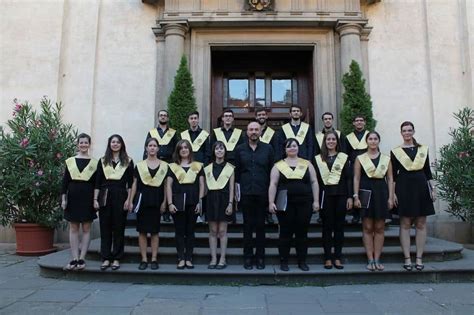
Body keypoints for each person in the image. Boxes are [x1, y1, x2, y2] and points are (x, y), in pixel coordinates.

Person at [268, 138, 320, 271]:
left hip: (304, 202)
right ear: (284, 149)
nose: (292, 148)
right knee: (285, 233)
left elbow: (314, 182)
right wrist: (271, 202)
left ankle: (302, 261)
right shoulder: (278, 165)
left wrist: (316, 201)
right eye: (289, 146)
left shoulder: (307, 164)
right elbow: (273, 184)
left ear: (298, 148)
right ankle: (283, 261)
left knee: (302, 233)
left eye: (294, 146)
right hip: (284, 203)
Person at [391, 121, 436, 271]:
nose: (407, 133)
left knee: (421, 223)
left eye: (410, 130)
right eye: (404, 130)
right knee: (405, 223)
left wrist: (432, 188)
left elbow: (427, 171)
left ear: (413, 131)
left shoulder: (423, 149)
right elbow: (393, 176)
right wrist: (393, 194)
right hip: (403, 188)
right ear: (401, 133)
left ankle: (419, 257)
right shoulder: (395, 151)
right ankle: (407, 258)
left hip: (421, 186)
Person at [235, 122, 274, 270]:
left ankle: (260, 258)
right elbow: (237, 174)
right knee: (247, 227)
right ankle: (248, 258)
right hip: (246, 193)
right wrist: (236, 197)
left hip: (262, 193)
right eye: (251, 129)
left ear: (261, 131)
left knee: (260, 227)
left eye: (256, 129)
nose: (253, 132)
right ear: (247, 132)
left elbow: (272, 172)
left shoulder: (268, 149)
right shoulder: (240, 150)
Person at [353, 131, 394, 271]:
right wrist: (355, 196)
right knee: (367, 227)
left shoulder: (386, 159)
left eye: (375, 138)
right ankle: (370, 259)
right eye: (370, 138)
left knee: (380, 227)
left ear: (379, 141)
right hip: (365, 193)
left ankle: (377, 258)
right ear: (367, 141)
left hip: (381, 193)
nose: (373, 141)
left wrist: (391, 197)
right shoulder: (360, 158)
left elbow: (390, 179)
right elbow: (356, 178)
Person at [94, 134, 134, 271]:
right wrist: (95, 199)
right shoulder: (103, 161)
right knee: (105, 227)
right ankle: (105, 258)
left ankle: (117, 257)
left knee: (119, 227)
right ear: (109, 144)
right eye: (113, 142)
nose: (115, 144)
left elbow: (130, 184)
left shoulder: (128, 161)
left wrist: (129, 200)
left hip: (121, 195)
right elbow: (97, 182)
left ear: (122, 144)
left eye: (118, 142)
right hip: (105, 195)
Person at [314, 131, 353, 270]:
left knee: (339, 228)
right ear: (324, 141)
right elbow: (316, 181)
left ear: (337, 141)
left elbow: (348, 178)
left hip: (341, 195)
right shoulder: (318, 158)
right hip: (326, 196)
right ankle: (327, 258)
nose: (331, 141)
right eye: (328, 139)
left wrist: (350, 196)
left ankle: (337, 257)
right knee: (327, 227)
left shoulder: (343, 157)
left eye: (333, 139)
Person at [129, 138, 168, 270]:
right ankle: (144, 259)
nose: (152, 148)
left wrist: (165, 202)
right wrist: (130, 201)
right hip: (142, 200)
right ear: (146, 148)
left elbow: (166, 185)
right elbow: (134, 184)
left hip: (157, 200)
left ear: (158, 148)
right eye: (150, 145)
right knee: (142, 232)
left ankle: (154, 259)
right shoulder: (139, 166)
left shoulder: (164, 165)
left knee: (155, 231)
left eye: (154, 146)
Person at [61, 133, 98, 271]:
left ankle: (82, 257)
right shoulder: (70, 161)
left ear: (89, 144)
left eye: (86, 142)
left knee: (87, 228)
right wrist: (64, 199)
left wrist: (95, 200)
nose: (83, 145)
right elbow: (65, 182)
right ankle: (74, 257)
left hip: (88, 197)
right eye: (81, 142)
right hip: (73, 197)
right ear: (78, 144)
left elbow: (96, 184)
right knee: (74, 227)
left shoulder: (95, 163)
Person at [166, 139, 205, 269]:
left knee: (190, 231)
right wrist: (170, 203)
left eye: (186, 147)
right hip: (177, 202)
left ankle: (189, 257)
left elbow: (201, 185)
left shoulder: (198, 166)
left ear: (190, 150)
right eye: (181, 148)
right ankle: (180, 258)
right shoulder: (172, 166)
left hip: (193, 202)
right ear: (178, 151)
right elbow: (169, 186)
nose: (184, 150)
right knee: (179, 231)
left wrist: (200, 202)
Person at [144, 109, 178, 223]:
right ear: (158, 118)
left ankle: (167, 213)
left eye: (165, 115)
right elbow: (147, 148)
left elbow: (176, 149)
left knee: (168, 187)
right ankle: (157, 210)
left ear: (168, 118)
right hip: (155, 162)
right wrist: (145, 162)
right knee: (157, 186)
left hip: (169, 162)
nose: (163, 117)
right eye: (161, 115)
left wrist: (175, 164)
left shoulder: (173, 133)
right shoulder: (152, 132)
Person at [205, 141, 235, 269]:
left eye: (221, 149)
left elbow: (232, 187)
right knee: (212, 231)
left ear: (225, 151)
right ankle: (213, 258)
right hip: (211, 199)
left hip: (224, 200)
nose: (219, 151)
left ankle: (222, 258)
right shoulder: (207, 168)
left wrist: (230, 203)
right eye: (217, 149)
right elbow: (205, 187)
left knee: (222, 231)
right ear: (214, 151)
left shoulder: (230, 167)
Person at [345, 114, 369, 223]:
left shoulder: (370, 136)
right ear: (353, 123)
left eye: (361, 120)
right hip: (353, 165)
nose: (359, 122)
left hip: (367, 165)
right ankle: (355, 214)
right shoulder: (349, 137)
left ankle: (364, 213)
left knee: (364, 186)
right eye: (357, 120)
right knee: (353, 188)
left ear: (364, 122)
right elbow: (346, 153)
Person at [255, 106, 277, 224]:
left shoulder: (272, 133)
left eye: (263, 115)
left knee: (268, 190)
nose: (261, 117)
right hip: (254, 166)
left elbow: (276, 150)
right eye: (259, 115)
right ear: (256, 117)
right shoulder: (252, 131)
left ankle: (269, 215)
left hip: (268, 166)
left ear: (266, 116)